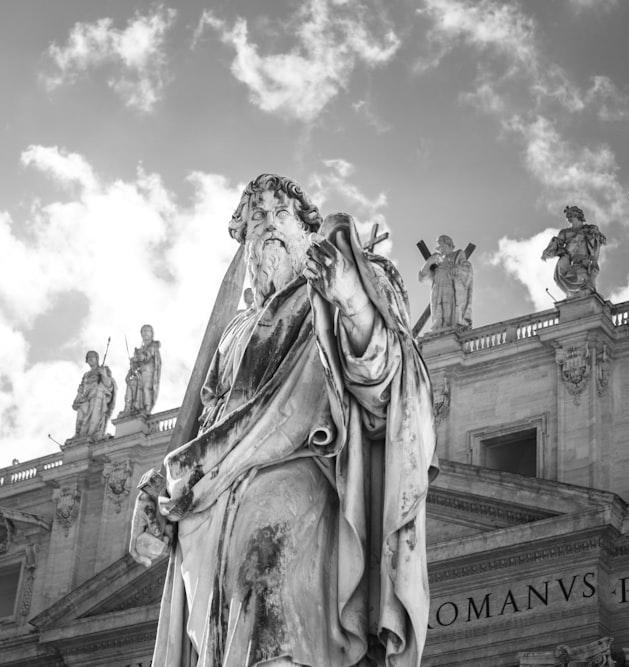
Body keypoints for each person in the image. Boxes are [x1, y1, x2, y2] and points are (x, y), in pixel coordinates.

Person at [131, 174, 436, 666]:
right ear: (245, 242)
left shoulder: (346, 277)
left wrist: (351, 301)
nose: (269, 225)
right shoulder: (234, 332)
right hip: (216, 503)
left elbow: (388, 383)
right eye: (257, 219)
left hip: (299, 469)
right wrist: (159, 486)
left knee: (265, 575)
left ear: (306, 228)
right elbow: (208, 424)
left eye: (281, 215)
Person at [541, 205, 607, 297]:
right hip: (570, 262)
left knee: (585, 281)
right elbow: (557, 243)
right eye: (568, 217)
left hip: (584, 261)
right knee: (565, 278)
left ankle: (585, 293)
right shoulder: (565, 232)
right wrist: (547, 252)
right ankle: (573, 295)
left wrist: (594, 261)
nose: (569, 219)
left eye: (570, 216)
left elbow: (597, 243)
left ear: (577, 215)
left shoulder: (589, 228)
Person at [418, 234, 473, 330]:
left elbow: (467, 268)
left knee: (449, 310)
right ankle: (439, 328)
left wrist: (458, 268)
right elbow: (422, 277)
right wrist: (429, 262)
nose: (439, 248)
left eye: (441, 245)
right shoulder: (437, 260)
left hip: (450, 286)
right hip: (437, 287)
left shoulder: (458, 254)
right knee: (438, 312)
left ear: (448, 244)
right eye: (438, 247)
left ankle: (450, 328)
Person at [72, 350, 116, 441]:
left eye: (93, 357)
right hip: (85, 399)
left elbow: (109, 385)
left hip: (97, 396)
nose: (90, 358)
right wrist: (77, 399)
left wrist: (103, 374)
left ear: (97, 359)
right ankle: (78, 435)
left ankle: (91, 434)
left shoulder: (104, 369)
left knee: (94, 417)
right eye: (88, 357)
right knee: (80, 415)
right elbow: (81, 389)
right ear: (86, 360)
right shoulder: (86, 375)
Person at [124, 325, 162, 416]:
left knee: (146, 388)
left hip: (148, 371)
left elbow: (147, 357)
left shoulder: (153, 346)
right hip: (140, 372)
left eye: (147, 331)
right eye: (143, 331)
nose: (145, 332)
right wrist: (133, 362)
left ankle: (146, 408)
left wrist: (139, 358)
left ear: (152, 334)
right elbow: (137, 363)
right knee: (137, 388)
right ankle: (136, 407)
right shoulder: (140, 349)